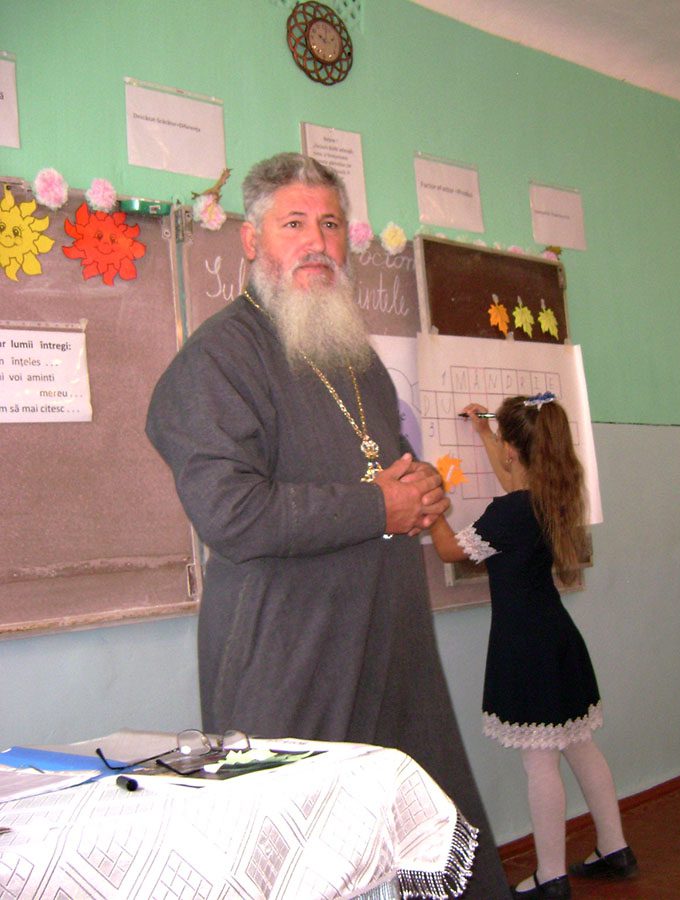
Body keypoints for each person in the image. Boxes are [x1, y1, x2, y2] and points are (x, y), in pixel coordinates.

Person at [145, 152, 509, 898]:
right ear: (252, 240)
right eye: (294, 224)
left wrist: (420, 489)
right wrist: (380, 506)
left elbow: (384, 466)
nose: (318, 242)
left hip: (393, 651)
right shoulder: (216, 360)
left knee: (426, 855)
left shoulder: (353, 354)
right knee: (303, 867)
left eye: (332, 224)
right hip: (291, 661)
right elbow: (231, 514)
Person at [430, 394, 637, 899]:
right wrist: (485, 433)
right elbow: (512, 482)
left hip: (526, 646)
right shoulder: (550, 496)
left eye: (501, 441)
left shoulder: (511, 512)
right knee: (579, 745)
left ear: (513, 450)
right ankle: (615, 849)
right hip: (558, 639)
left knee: (539, 763)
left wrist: (431, 504)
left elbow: (449, 549)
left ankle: (551, 877)